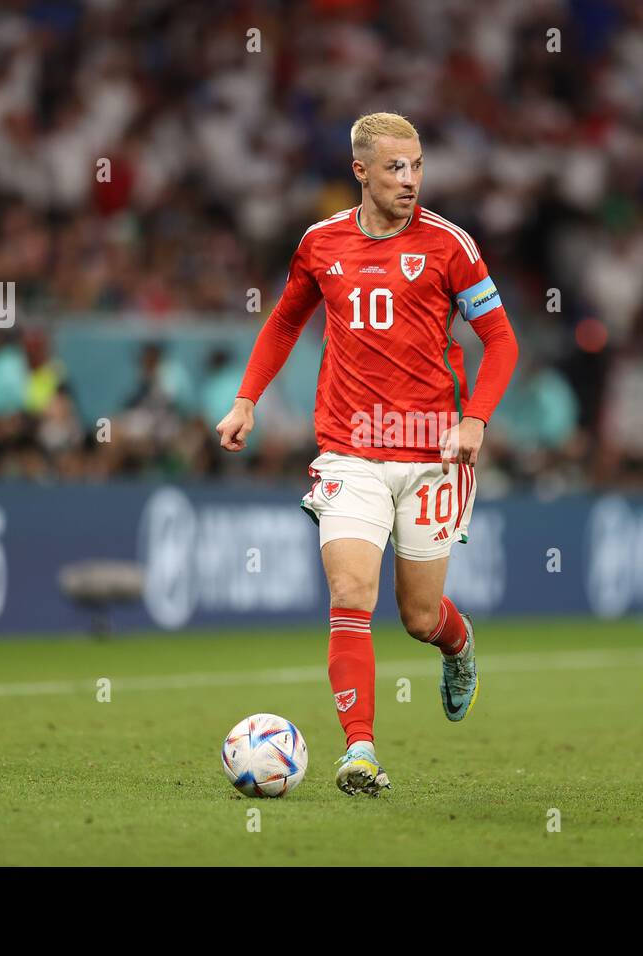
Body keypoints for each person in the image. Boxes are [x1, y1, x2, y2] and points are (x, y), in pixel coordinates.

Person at [215, 112, 519, 795]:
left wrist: (475, 421)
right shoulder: (321, 243)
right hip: (350, 449)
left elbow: (502, 341)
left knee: (418, 617)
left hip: (434, 453)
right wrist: (246, 399)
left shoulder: (450, 246)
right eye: (394, 168)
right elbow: (287, 318)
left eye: (416, 166)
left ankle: (457, 643)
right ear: (360, 171)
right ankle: (360, 752)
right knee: (351, 595)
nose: (409, 180)